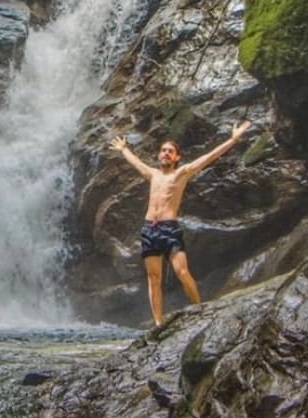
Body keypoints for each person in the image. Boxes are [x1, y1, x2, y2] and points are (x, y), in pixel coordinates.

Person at [108, 121, 252, 327]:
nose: (166, 153)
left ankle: (199, 309)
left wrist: (233, 139)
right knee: (153, 277)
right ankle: (158, 323)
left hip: (169, 230)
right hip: (149, 229)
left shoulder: (182, 173)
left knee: (182, 272)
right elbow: (136, 163)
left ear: (177, 157)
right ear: (159, 155)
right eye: (163, 150)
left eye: (170, 151)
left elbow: (208, 157)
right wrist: (123, 149)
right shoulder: (152, 174)